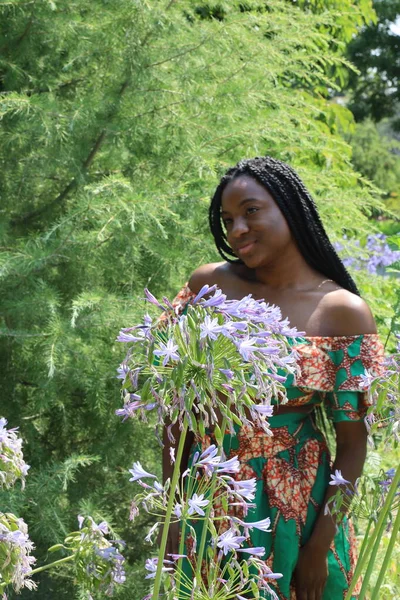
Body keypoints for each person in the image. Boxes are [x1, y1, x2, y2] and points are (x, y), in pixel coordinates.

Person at [162, 156, 384, 600]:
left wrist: (319, 548)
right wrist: (173, 518)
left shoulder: (342, 311)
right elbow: (175, 414)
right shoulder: (209, 287)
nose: (237, 230)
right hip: (209, 499)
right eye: (228, 220)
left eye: (250, 211)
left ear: (290, 207)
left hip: (298, 512)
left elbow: (353, 444)